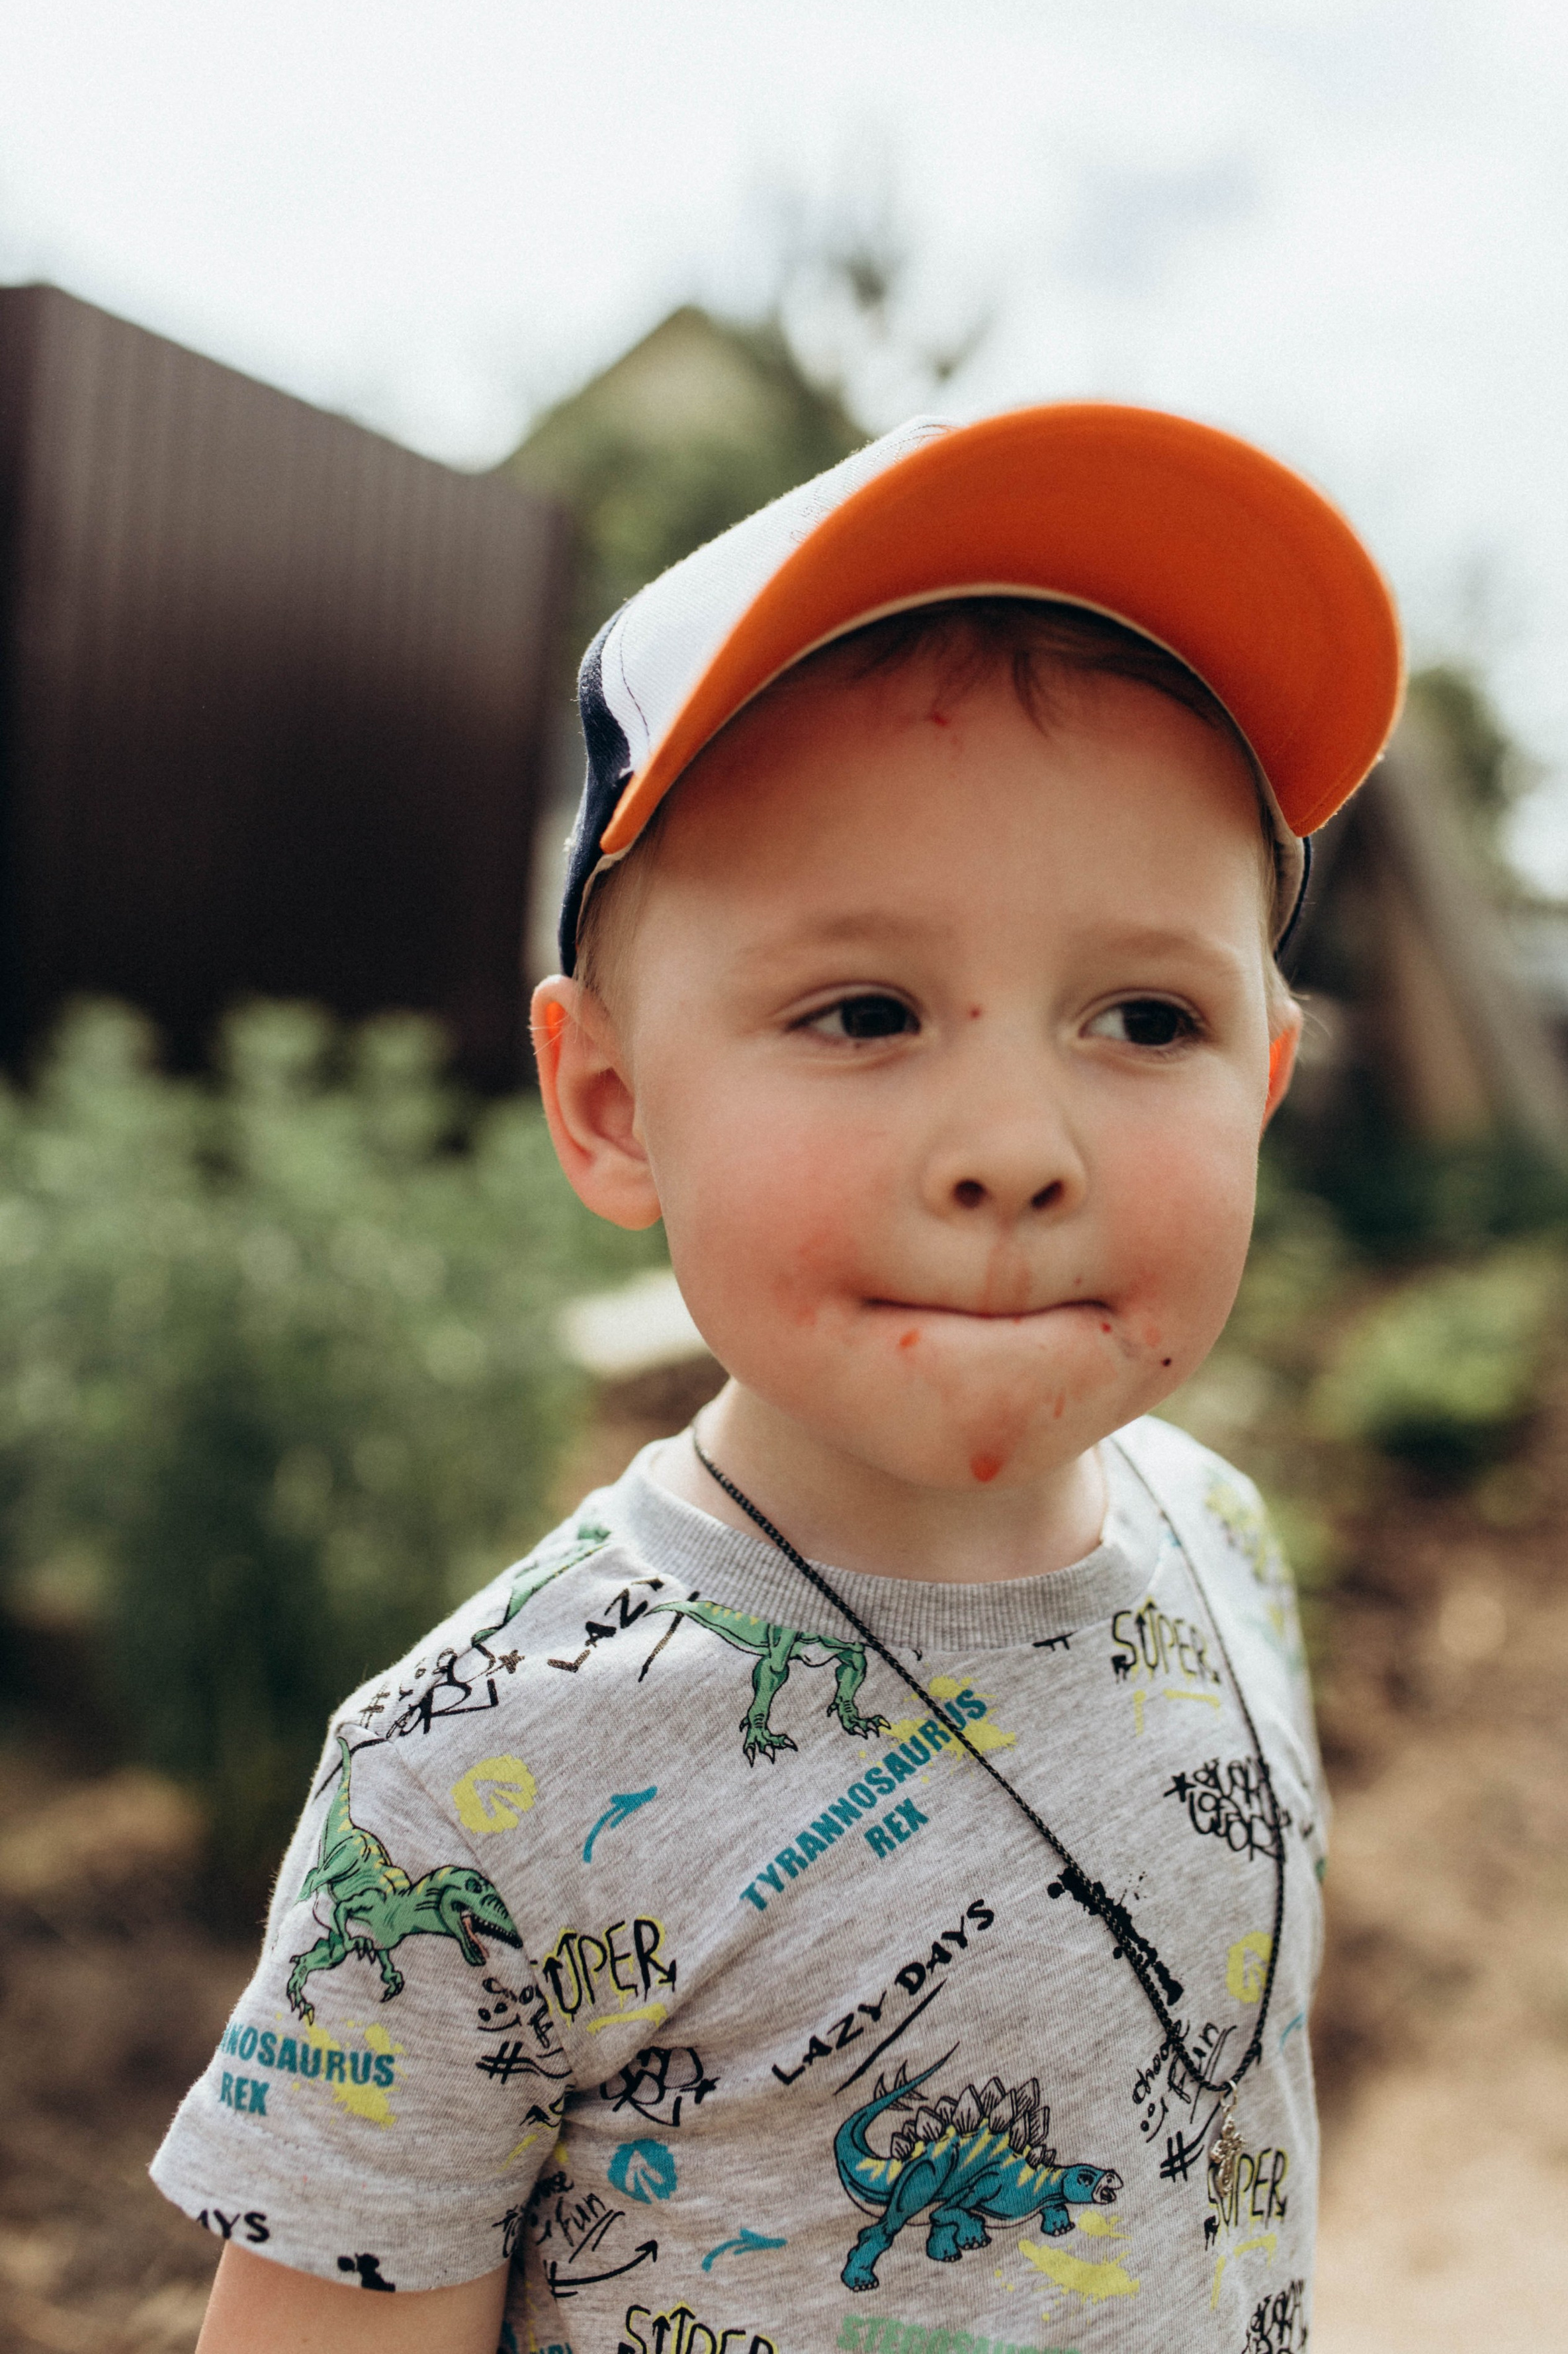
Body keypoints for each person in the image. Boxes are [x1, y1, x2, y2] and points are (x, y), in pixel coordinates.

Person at [153, 404, 1401, 2354]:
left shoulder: (1223, 1534)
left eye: (1148, 1016)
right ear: (610, 1104)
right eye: (866, 1011)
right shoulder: (472, 1787)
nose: (1016, 1148)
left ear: (1262, 1078)